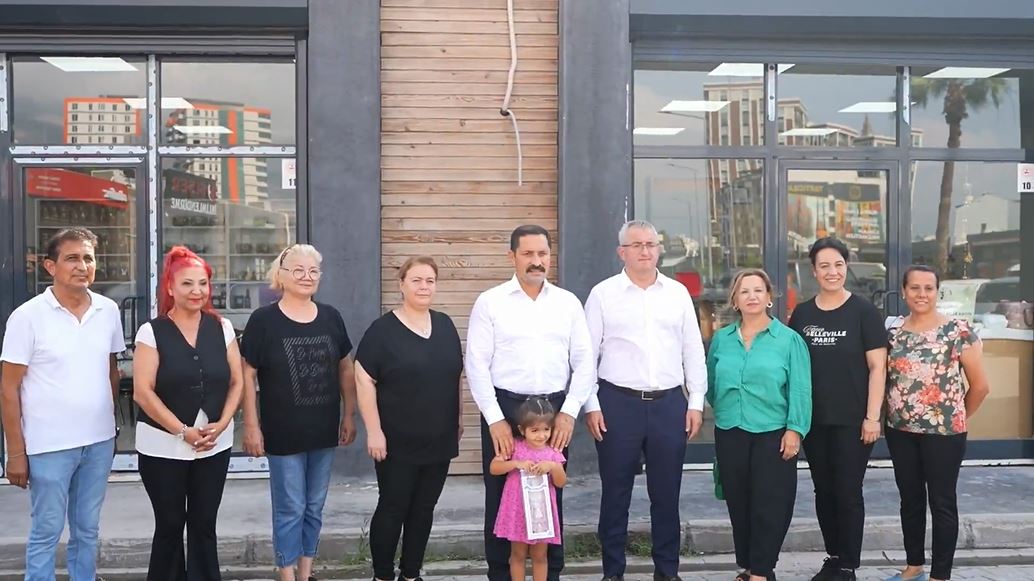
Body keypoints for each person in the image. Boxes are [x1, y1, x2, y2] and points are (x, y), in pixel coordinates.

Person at [466, 224, 595, 581]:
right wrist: (494, 418)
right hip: (505, 409)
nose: (536, 261)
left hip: (554, 412)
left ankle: (550, 573)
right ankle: (500, 574)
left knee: (551, 491)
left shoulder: (568, 303)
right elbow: (476, 363)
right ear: (512, 256)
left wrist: (569, 412)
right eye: (528, 254)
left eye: (542, 254)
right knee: (501, 494)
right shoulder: (490, 302)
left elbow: (585, 361)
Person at [582, 220, 707, 581]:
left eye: (650, 244)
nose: (644, 251)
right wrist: (591, 404)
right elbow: (586, 354)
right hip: (617, 404)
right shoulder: (603, 294)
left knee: (666, 495)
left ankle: (667, 571)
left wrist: (696, 401)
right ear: (621, 252)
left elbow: (692, 349)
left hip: (668, 405)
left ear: (659, 250)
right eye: (636, 245)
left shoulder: (677, 293)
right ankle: (613, 572)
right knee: (615, 493)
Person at [1, 228, 125, 581]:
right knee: (47, 530)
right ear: (50, 267)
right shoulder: (27, 316)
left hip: (98, 443)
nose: (82, 266)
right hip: (48, 446)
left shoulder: (108, 310)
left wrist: (109, 426)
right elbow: (8, 388)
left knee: (87, 530)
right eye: (72, 258)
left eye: (88, 258)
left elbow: (111, 372)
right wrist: (15, 452)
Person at [240, 244, 357, 581]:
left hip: (323, 430)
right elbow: (247, 374)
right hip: (282, 432)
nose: (307, 277)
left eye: (313, 271)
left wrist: (349, 414)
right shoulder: (264, 320)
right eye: (298, 270)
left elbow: (345, 368)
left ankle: (306, 572)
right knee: (290, 506)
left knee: (314, 506)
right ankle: (287, 573)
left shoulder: (331, 316)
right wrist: (251, 425)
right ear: (281, 275)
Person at [132, 246, 244, 581]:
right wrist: (182, 431)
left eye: (203, 283)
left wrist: (223, 423)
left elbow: (237, 381)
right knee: (169, 525)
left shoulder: (222, 327)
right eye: (187, 284)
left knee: (204, 524)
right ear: (169, 287)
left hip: (214, 444)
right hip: (161, 446)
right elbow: (143, 392)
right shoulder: (151, 331)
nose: (197, 291)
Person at [354, 256, 464, 581]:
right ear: (401, 284)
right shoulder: (382, 331)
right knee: (393, 507)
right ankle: (383, 575)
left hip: (439, 438)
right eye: (416, 280)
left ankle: (411, 574)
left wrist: (458, 418)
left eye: (430, 280)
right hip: (396, 442)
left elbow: (455, 375)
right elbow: (363, 379)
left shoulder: (445, 325)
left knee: (424, 509)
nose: (424, 286)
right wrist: (374, 431)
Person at [788, 237, 887, 581]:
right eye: (825, 266)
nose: (832, 272)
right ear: (814, 271)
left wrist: (872, 417)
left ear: (847, 267)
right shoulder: (803, 314)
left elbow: (878, 367)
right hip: (815, 421)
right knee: (823, 490)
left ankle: (848, 564)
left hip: (853, 421)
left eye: (839, 265)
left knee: (847, 490)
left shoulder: (863, 311)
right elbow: (794, 367)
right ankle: (833, 556)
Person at [883, 266, 990, 581]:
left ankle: (940, 575)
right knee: (910, 501)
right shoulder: (892, 333)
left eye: (928, 288)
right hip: (900, 431)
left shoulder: (958, 331)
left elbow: (980, 387)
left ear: (937, 292)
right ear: (904, 291)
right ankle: (914, 566)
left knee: (942, 503)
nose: (922, 294)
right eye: (915, 288)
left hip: (944, 435)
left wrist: (955, 416)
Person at [706, 269, 812, 581]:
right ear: (735, 301)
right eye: (744, 291)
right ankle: (750, 566)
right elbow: (711, 384)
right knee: (738, 503)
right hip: (731, 430)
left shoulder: (789, 340)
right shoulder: (722, 340)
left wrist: (795, 429)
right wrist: (728, 406)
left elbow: (801, 389)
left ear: (769, 297)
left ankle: (762, 572)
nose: (751, 296)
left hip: (773, 433)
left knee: (770, 503)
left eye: (757, 290)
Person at [490, 398, 568, 581]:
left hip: (541, 513)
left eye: (546, 429)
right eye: (534, 430)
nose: (541, 436)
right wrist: (516, 464)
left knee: (540, 555)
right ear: (521, 429)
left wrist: (553, 467)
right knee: (518, 554)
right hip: (517, 509)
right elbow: (494, 468)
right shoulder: (514, 447)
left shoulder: (553, 453)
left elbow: (561, 482)